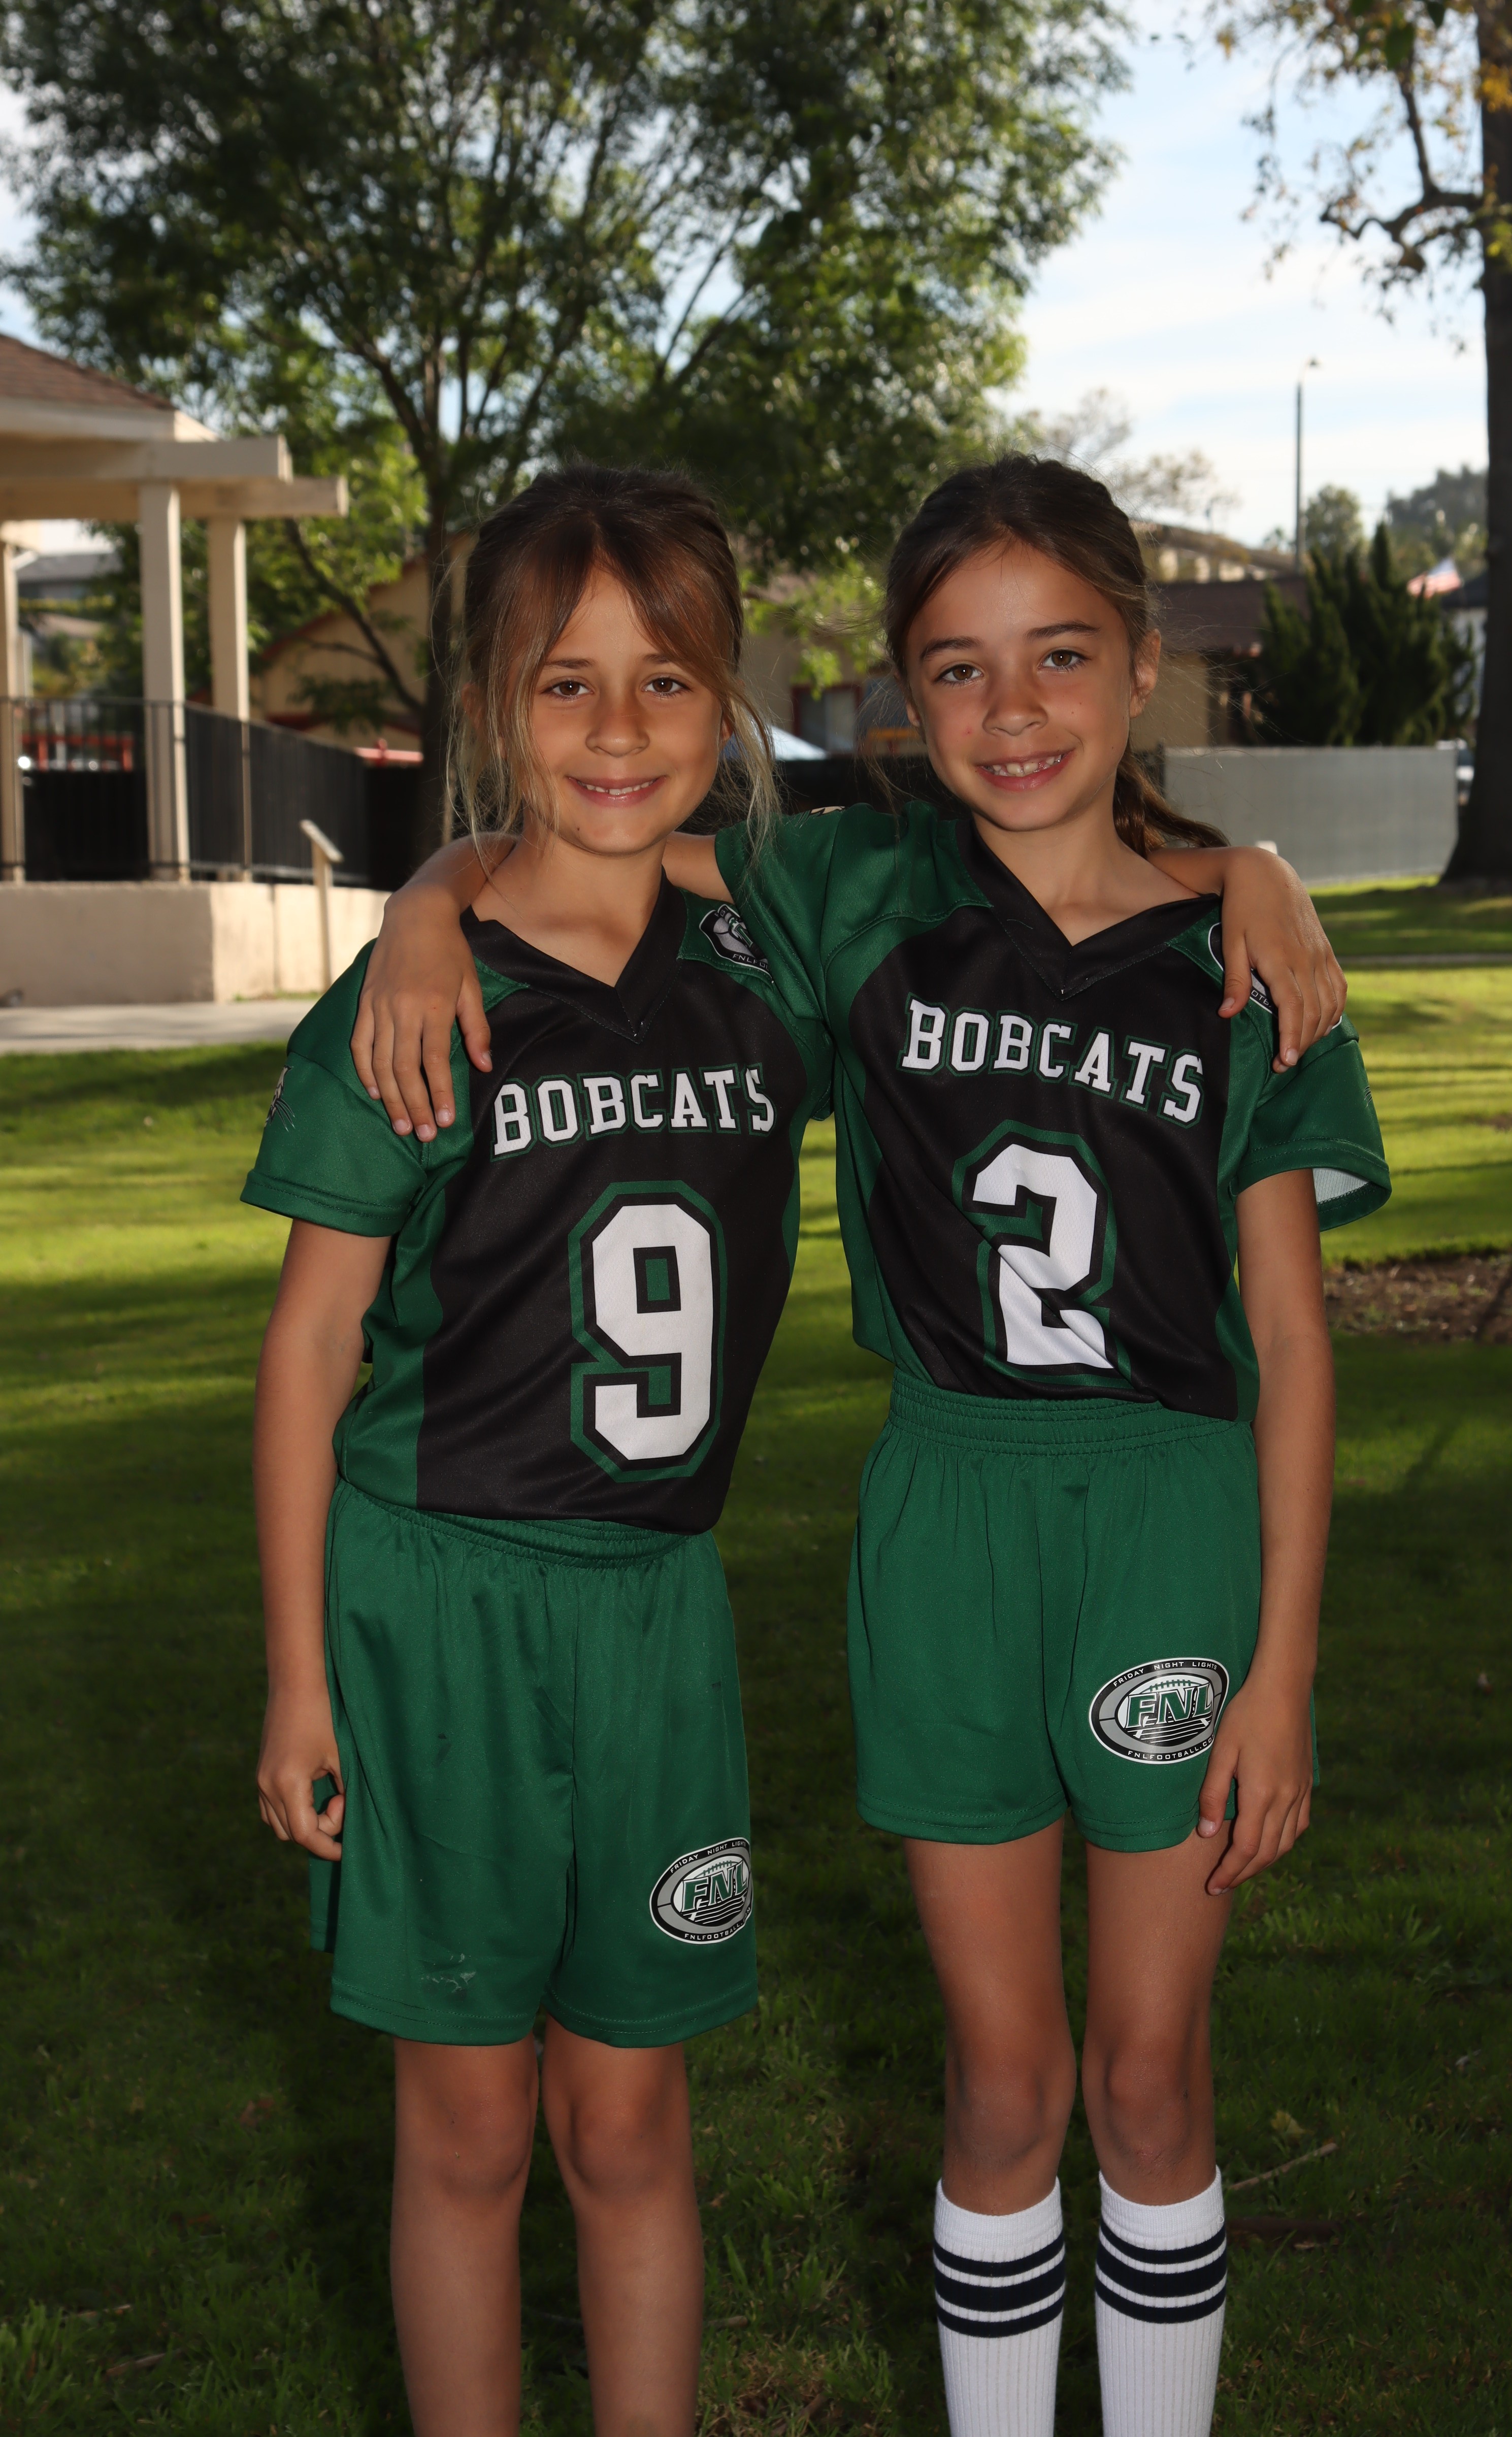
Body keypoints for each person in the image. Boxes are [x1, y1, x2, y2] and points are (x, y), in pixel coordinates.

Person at [349, 455, 1387, 2437]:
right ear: (906, 699)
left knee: (1150, 2077)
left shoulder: (1246, 961)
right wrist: (421, 900)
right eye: (958, 669)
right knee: (999, 2081)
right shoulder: (853, 895)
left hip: (1170, 1521)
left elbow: (1290, 1336)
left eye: (1058, 656)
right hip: (943, 1512)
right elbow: (595, 832)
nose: (1014, 709)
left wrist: (1285, 1669)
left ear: (1140, 662)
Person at [246, 464, 833, 2437]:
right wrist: (300, 1676)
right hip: (435, 1601)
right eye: (565, 683)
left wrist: (1251, 874)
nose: (616, 728)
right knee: (468, 2126)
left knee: (632, 2118)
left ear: (728, 702)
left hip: (654, 1607)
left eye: (665, 681)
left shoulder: (774, 944)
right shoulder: (419, 992)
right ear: (496, 702)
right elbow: (311, 1345)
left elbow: (1031, 847)